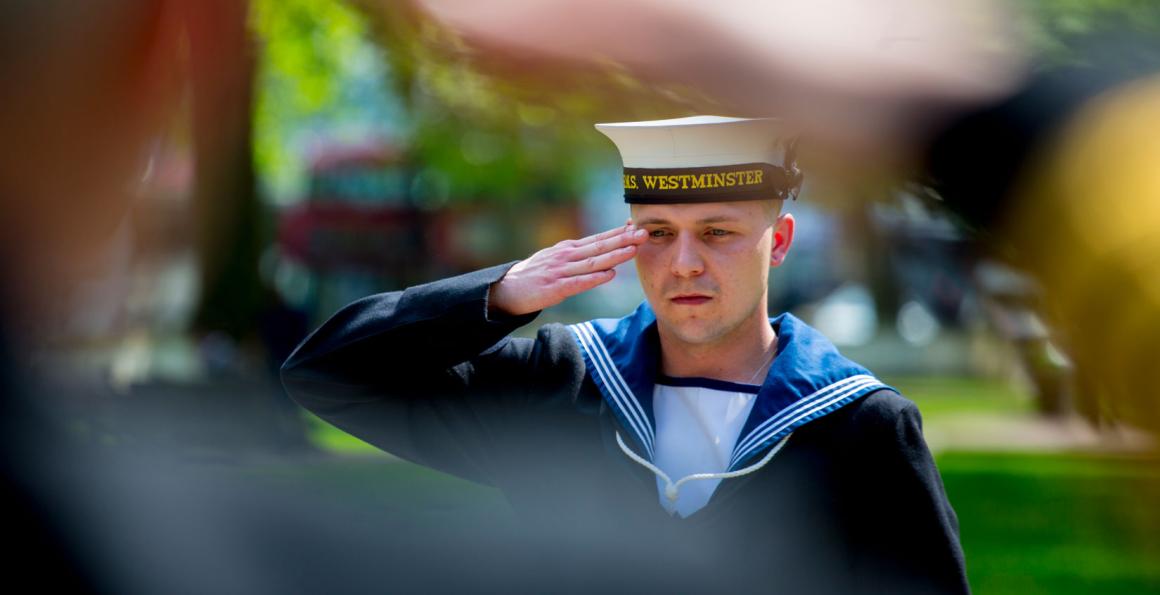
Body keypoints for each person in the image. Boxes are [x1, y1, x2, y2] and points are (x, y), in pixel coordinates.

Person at [281, 116, 969, 593]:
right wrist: (498, 294)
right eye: (658, 232)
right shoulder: (561, 383)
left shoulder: (862, 426)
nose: (684, 263)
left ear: (780, 241)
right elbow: (327, 373)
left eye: (719, 232)